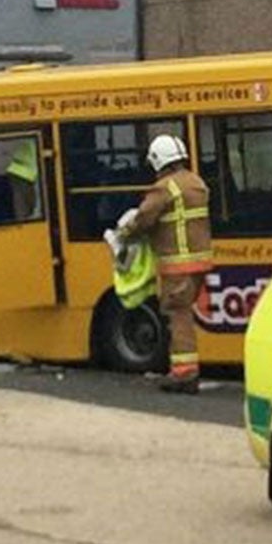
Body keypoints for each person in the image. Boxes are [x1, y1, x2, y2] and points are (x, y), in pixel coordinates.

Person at [112, 133, 211, 394]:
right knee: (183, 314)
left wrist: (124, 233)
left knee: (177, 316)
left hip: (177, 265)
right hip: (200, 261)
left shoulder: (165, 188)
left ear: (158, 160)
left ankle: (184, 374)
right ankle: (184, 371)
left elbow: (144, 217)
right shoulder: (196, 182)